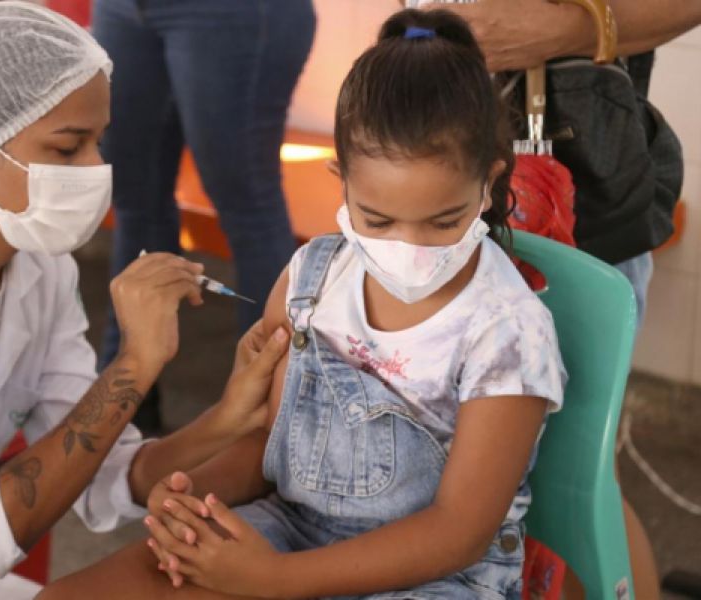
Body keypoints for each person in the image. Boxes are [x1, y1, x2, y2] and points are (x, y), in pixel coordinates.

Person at [37, 9, 567, 598]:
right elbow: (272, 444)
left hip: (438, 574)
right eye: (377, 220)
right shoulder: (312, 279)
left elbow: (458, 532)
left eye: (444, 221)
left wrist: (274, 579)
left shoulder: (507, 331)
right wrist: (194, 493)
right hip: (292, 527)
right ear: (342, 179)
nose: (409, 248)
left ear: (488, 183)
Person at [0, 3, 288, 598]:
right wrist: (135, 363)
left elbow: (104, 474)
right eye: (66, 149)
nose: (95, 170)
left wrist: (228, 416)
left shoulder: (39, 266)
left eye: (98, 142)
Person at [404, 2, 701, 598]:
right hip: (442, 182)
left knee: (570, 482)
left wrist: (576, 29)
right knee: (456, 467)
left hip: (568, 204)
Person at [93, 0, 316, 428]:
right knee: (134, 199)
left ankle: (267, 417)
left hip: (232, 11)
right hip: (124, 9)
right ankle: (124, 404)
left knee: (247, 205)